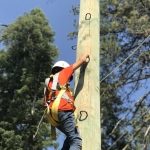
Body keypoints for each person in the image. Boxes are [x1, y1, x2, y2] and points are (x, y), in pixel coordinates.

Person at [42, 53, 89, 150]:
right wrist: (86, 54)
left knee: (70, 137)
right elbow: (81, 61)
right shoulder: (63, 73)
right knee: (76, 140)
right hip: (63, 109)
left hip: (53, 117)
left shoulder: (49, 84)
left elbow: (44, 103)